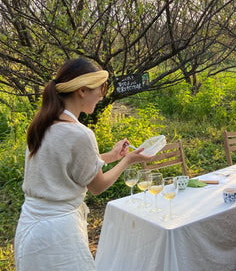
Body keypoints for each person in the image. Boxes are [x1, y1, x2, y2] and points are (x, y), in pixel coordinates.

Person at [14, 58, 153, 271]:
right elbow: (97, 186)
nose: (102, 95)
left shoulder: (43, 124)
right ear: (82, 90)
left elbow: (66, 165)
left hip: (30, 228)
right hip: (58, 234)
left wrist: (112, 156)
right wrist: (128, 160)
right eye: (100, 88)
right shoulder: (80, 133)